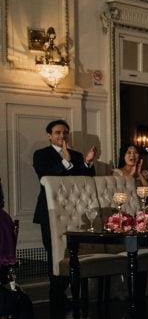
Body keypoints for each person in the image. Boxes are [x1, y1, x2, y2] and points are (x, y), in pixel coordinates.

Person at [32, 120, 95, 302]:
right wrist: (65, 161)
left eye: (65, 132)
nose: (62, 136)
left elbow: (87, 180)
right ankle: (57, 297)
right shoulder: (41, 154)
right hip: (50, 212)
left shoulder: (77, 155)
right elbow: (45, 176)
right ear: (49, 135)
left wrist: (87, 162)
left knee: (72, 253)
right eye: (58, 132)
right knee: (55, 253)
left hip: (74, 212)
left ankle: (72, 294)